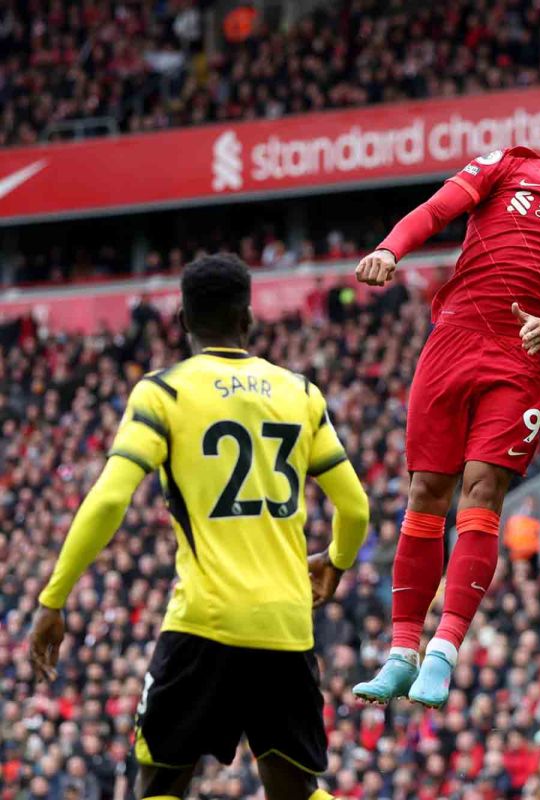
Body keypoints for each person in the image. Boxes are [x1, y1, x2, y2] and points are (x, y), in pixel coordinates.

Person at [351, 98, 540, 709]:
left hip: (521, 361)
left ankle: (444, 648)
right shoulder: (506, 166)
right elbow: (439, 209)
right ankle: (401, 650)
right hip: (454, 340)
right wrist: (391, 248)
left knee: (483, 490)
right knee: (424, 495)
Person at [27, 254, 369, 800]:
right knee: (297, 791)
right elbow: (355, 509)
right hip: (286, 624)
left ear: (183, 321)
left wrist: (54, 598)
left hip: (204, 623)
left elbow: (111, 497)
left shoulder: (163, 394)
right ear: (248, 320)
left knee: (161, 784)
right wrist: (337, 562)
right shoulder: (300, 394)